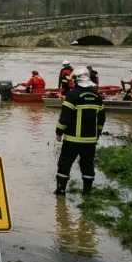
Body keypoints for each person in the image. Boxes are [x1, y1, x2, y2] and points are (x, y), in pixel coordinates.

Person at [54, 66, 106, 196]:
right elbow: (101, 120)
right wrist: (97, 134)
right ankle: (86, 192)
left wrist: (58, 132)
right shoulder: (97, 97)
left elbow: (64, 118)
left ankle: (61, 191)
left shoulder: (72, 96)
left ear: (75, 80)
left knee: (64, 164)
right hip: (90, 140)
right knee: (87, 165)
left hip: (72, 139)